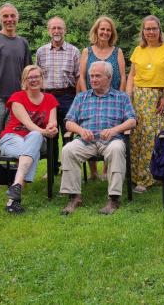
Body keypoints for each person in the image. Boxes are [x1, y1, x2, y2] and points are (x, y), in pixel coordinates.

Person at [59, 61, 136, 216]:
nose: (93, 79)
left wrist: (115, 130)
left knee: (117, 149)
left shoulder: (121, 97)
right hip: (86, 141)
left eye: (97, 76)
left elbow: (132, 121)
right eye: (91, 76)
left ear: (108, 77)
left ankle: (113, 199)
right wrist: (80, 130)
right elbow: (68, 122)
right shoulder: (81, 97)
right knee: (68, 149)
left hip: (111, 141)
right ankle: (74, 197)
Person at [126, 15, 164, 193]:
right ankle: (139, 176)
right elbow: (131, 76)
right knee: (140, 136)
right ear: (143, 31)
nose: (150, 32)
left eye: (154, 28)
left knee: (160, 137)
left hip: (161, 97)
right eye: (147, 29)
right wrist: (128, 98)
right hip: (141, 98)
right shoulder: (137, 50)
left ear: (159, 30)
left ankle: (159, 174)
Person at [0, 65, 59, 214]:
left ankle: (16, 186)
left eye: (37, 77)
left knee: (35, 137)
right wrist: (45, 131)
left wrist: (52, 128)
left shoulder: (50, 99)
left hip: (37, 140)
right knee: (32, 150)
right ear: (24, 81)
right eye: (29, 78)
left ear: (42, 79)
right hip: (12, 138)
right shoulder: (17, 97)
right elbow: (28, 124)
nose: (33, 80)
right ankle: (14, 199)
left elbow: (53, 122)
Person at [79, 16, 126, 180]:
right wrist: (85, 96)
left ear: (111, 32)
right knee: (90, 128)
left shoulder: (117, 51)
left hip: (113, 99)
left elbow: (123, 77)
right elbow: (81, 76)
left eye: (108, 30)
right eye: (102, 29)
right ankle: (93, 172)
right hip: (90, 98)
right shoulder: (87, 51)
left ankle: (106, 170)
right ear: (96, 31)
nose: (105, 32)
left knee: (110, 131)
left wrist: (120, 97)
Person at [0, 3, 32, 136]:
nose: (9, 19)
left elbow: (28, 71)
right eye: (5, 16)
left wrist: (29, 94)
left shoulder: (23, 42)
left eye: (12, 16)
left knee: (15, 134)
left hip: (18, 97)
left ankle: (15, 157)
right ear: (0, 19)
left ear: (17, 19)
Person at [36, 16, 80, 174]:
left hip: (68, 96)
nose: (56, 31)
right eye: (53, 28)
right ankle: (52, 168)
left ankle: (68, 169)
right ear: (49, 31)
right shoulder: (41, 52)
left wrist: (78, 100)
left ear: (65, 30)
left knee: (68, 134)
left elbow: (78, 77)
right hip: (47, 98)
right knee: (51, 134)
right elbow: (38, 78)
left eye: (59, 28)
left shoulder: (74, 51)